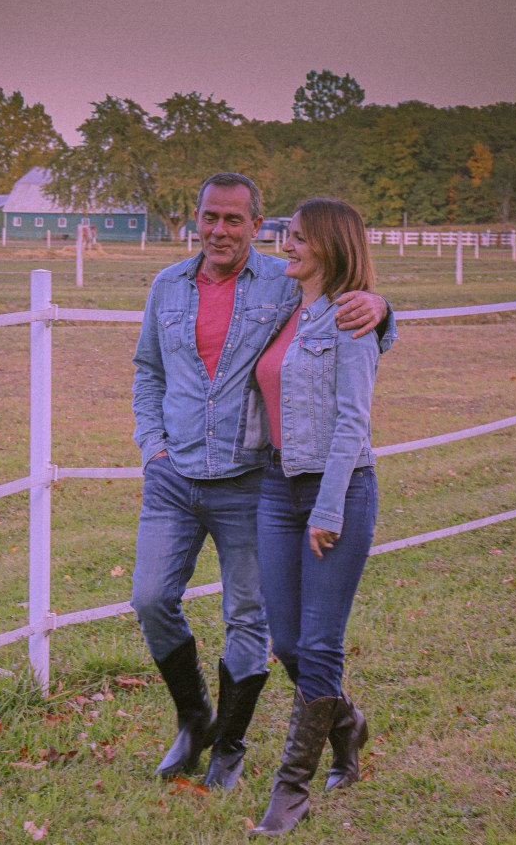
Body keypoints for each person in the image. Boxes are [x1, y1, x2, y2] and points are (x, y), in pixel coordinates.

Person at [131, 174, 394, 790]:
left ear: (255, 224)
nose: (220, 231)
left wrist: (383, 308)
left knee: (247, 617)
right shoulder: (166, 286)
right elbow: (148, 371)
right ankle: (195, 719)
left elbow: (347, 305)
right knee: (149, 599)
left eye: (234, 220)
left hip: (249, 478)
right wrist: (152, 448)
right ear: (196, 217)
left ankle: (229, 744)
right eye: (210, 217)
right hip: (173, 476)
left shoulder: (284, 280)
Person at [236, 198, 393, 836]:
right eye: (287, 235)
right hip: (278, 487)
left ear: (330, 245)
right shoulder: (284, 305)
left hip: (340, 489)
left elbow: (354, 421)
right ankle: (346, 722)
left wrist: (328, 507)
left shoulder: (351, 316)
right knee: (287, 642)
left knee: (321, 643)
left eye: (299, 237)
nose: (286, 245)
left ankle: (291, 791)